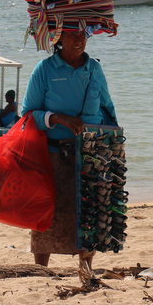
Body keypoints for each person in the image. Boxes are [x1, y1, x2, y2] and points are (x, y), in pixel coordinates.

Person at [21, 29, 117, 275]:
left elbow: (107, 107)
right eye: (73, 35)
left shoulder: (94, 69)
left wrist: (112, 146)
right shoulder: (45, 70)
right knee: (47, 211)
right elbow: (28, 115)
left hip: (90, 153)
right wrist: (59, 119)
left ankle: (86, 268)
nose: (80, 40)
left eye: (83, 35)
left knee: (90, 212)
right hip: (53, 155)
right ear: (58, 39)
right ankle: (40, 271)